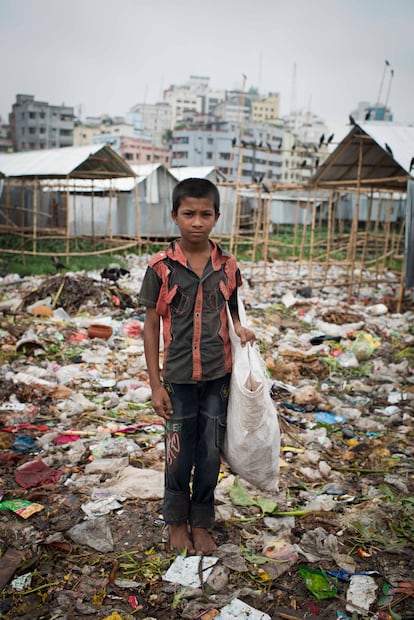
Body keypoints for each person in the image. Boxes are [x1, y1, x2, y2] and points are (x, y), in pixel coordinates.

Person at [138, 178, 255, 555]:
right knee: (178, 451)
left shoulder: (228, 265)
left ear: (217, 217)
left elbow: (234, 307)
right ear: (174, 216)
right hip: (177, 378)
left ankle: (202, 521)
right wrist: (155, 384)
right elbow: (151, 326)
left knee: (209, 451)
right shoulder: (161, 268)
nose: (197, 222)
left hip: (218, 375)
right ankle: (175, 521)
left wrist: (240, 328)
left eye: (206, 214)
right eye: (189, 214)